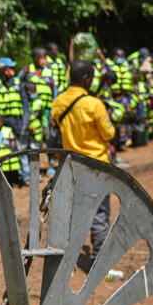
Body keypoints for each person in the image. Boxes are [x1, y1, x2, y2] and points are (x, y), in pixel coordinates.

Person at [52, 61, 117, 274]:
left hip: (73, 165)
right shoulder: (93, 104)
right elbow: (109, 134)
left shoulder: (59, 101)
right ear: (87, 78)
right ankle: (99, 265)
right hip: (97, 165)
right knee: (99, 213)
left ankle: (67, 264)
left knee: (74, 212)